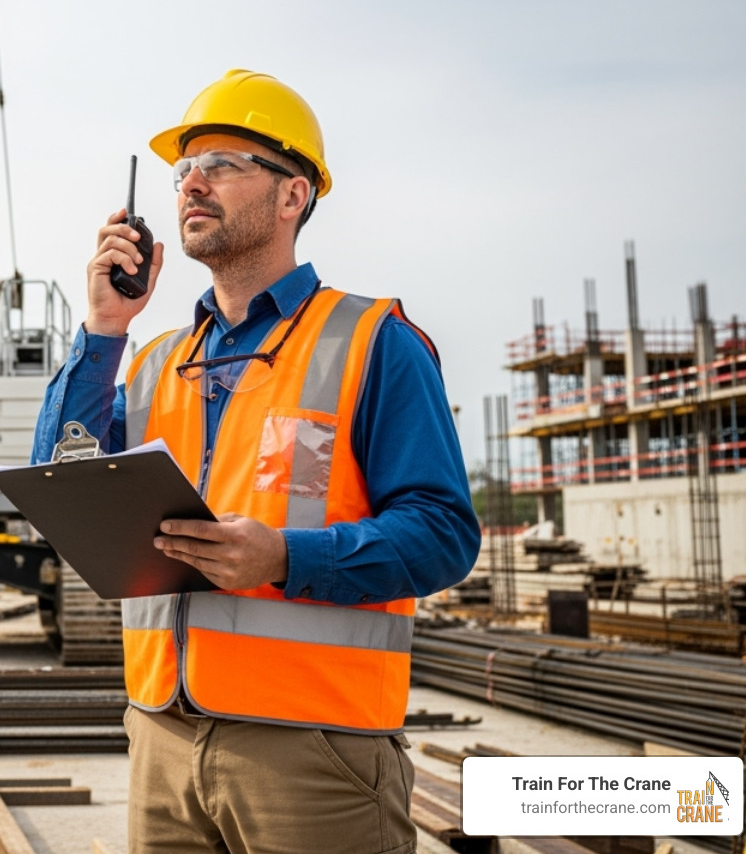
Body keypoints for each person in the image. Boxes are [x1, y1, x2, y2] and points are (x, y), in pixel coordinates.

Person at [31, 69, 480, 854]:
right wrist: (103, 328)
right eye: (182, 170)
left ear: (292, 196)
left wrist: (282, 556)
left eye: (223, 163)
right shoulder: (155, 360)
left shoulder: (374, 342)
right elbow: (58, 476)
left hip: (314, 752)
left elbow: (443, 535)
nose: (192, 183)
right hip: (161, 736)